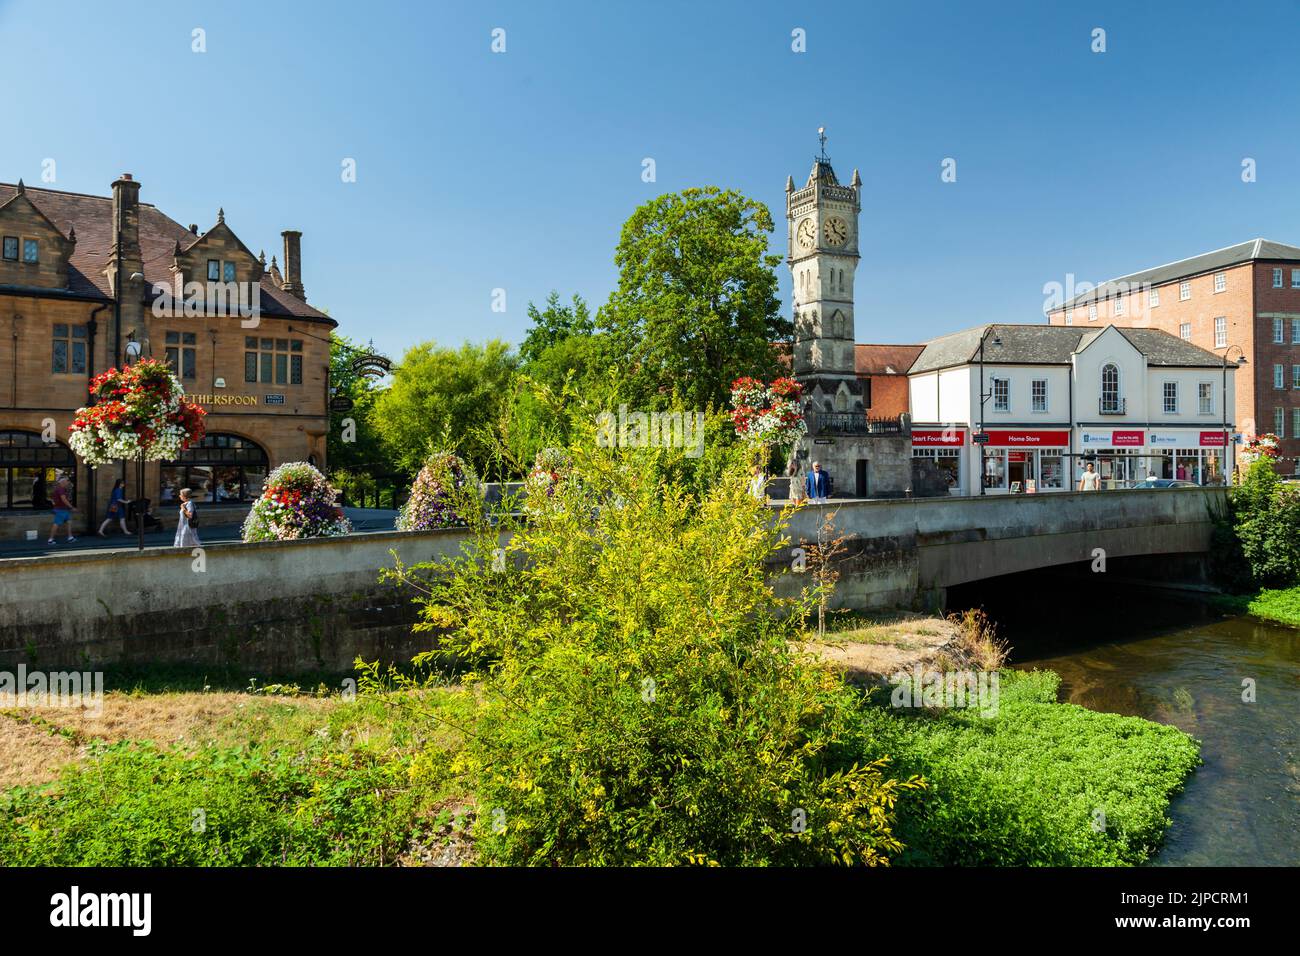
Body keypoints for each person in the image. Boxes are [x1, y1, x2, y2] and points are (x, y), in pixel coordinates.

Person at [47, 475, 76, 544]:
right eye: (67, 481)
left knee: (69, 522)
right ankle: (50, 539)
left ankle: (70, 537)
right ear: (62, 482)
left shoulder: (61, 489)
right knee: (56, 524)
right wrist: (71, 507)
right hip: (60, 509)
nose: (68, 482)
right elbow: (64, 499)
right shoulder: (61, 489)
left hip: (63, 509)